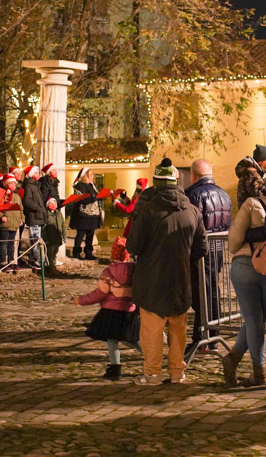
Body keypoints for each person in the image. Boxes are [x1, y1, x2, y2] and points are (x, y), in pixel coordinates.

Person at [126, 158, 206, 386]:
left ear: (156, 183)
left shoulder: (148, 210)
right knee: (178, 327)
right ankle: (177, 371)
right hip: (181, 277)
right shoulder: (192, 210)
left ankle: (152, 373)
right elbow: (201, 248)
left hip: (151, 278)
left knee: (151, 330)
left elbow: (133, 246)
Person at [221, 171, 266, 388]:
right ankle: (257, 372)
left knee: (253, 320)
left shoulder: (251, 203)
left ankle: (240, 363)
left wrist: (251, 240)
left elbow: (234, 239)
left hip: (245, 266)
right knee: (257, 320)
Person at [75, 237, 140, 381]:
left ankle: (115, 367)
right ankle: (152, 358)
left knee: (112, 340)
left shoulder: (109, 272)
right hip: (129, 309)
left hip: (111, 311)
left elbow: (100, 293)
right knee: (133, 338)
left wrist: (82, 300)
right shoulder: (135, 270)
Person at [185, 159, 233, 353]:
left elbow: (192, 226)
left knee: (200, 295)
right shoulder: (224, 194)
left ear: (194, 175)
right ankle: (211, 335)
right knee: (211, 289)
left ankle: (203, 336)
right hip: (218, 249)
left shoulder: (192, 195)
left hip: (200, 251)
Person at [69, 167, 103, 260]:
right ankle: (76, 253)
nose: (92, 177)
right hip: (83, 215)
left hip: (93, 215)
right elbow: (81, 199)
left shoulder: (93, 185)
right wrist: (94, 198)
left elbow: (96, 196)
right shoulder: (80, 185)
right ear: (85, 176)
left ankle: (88, 253)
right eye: (90, 175)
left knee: (90, 234)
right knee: (80, 234)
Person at [39, 163, 66, 271]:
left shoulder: (54, 183)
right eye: (54, 171)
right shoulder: (45, 183)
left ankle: (53, 260)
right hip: (49, 208)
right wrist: (50, 204)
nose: (56, 172)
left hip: (55, 206)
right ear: (49, 172)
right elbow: (45, 196)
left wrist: (60, 203)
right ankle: (49, 262)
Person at [21, 165, 48, 269]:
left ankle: (38, 258)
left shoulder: (36, 185)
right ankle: (35, 258)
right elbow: (27, 201)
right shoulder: (29, 186)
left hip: (38, 216)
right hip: (34, 216)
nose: (38, 175)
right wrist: (37, 208)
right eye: (36, 173)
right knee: (34, 239)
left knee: (38, 239)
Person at [0, 175, 24, 270]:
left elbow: (21, 209)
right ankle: (2, 261)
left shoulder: (17, 197)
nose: (13, 185)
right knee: (4, 243)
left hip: (14, 223)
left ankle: (12, 261)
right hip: (6, 223)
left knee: (11, 244)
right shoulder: (3, 195)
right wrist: (1, 216)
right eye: (11, 183)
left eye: (14, 183)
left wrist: (21, 219)